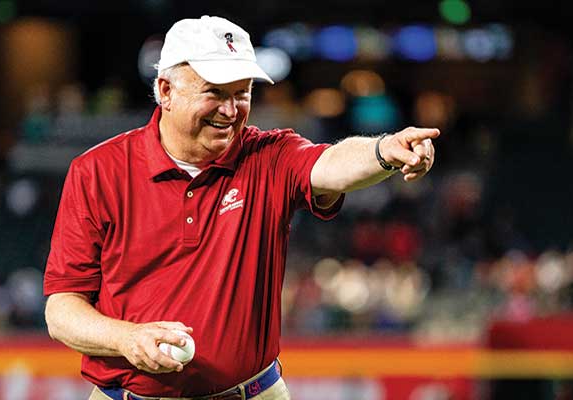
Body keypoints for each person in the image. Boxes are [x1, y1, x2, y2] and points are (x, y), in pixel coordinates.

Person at [44, 15, 439, 400]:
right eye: (214, 92)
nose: (231, 110)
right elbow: (62, 309)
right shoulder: (97, 172)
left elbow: (332, 163)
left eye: (242, 93)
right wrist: (127, 338)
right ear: (165, 91)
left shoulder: (268, 155)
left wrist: (384, 150)